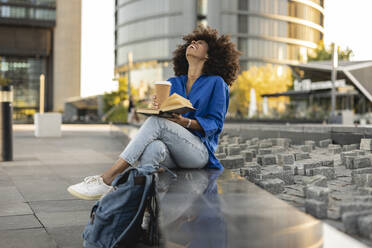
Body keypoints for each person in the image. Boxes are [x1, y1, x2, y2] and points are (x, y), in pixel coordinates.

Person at [67, 26, 241, 200]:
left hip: (198, 153)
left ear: (209, 55)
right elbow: (163, 117)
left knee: (157, 124)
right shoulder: (173, 82)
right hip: (173, 151)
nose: (193, 43)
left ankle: (108, 178)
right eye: (191, 41)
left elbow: (216, 124)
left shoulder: (217, 83)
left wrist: (185, 122)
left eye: (199, 42)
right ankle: (143, 209)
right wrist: (158, 108)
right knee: (153, 148)